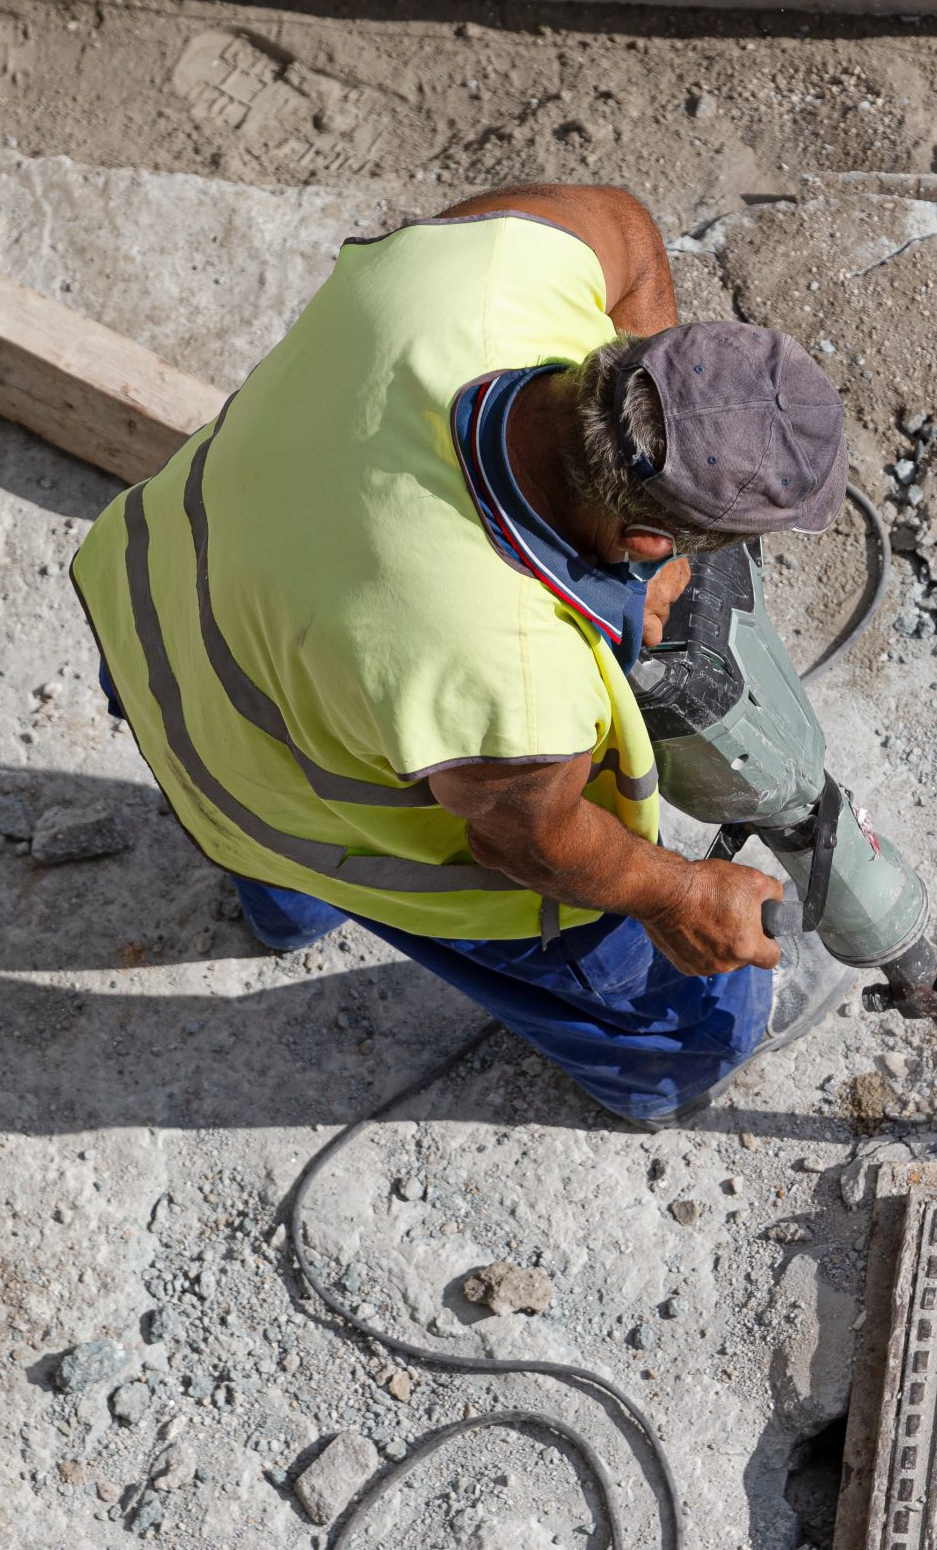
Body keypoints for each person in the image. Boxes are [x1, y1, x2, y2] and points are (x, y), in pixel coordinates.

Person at [72, 182, 853, 1125]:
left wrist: (658, 493)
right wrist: (681, 890)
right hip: (281, 761)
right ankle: (672, 1056)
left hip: (158, 600)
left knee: (277, 806)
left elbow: (633, 236)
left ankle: (282, 907)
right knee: (601, 940)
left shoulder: (494, 270)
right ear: (653, 541)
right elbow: (531, 844)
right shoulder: (514, 680)